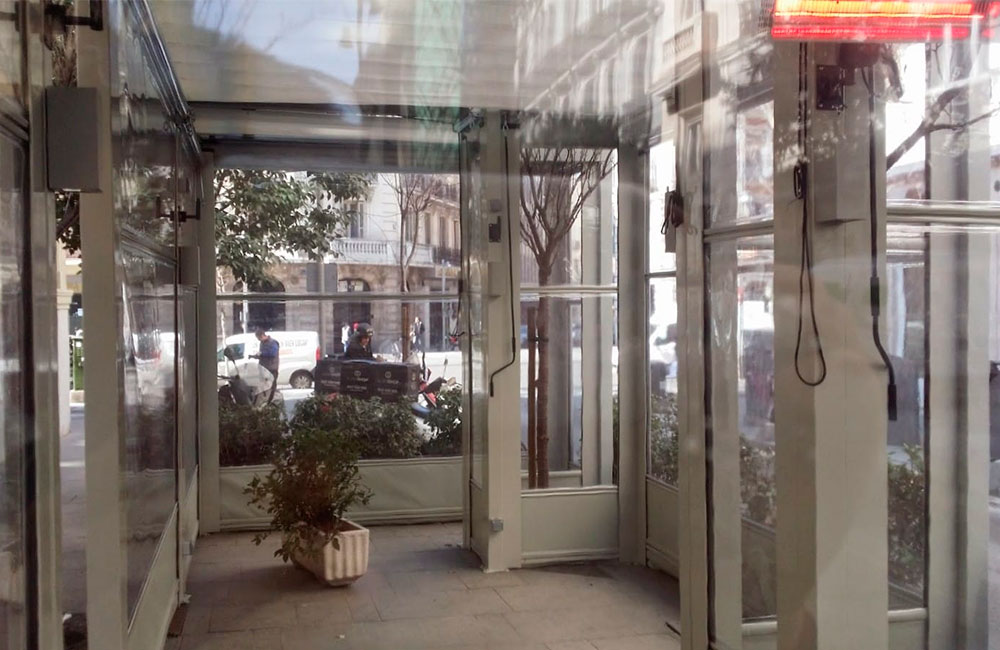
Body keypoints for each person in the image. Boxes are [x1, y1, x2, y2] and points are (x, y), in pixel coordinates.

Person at [250, 328, 280, 401]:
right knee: (263, 386)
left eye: (259, 338)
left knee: (271, 387)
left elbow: (273, 353)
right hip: (263, 368)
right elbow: (262, 355)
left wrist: (262, 354)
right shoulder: (262, 343)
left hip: (271, 368)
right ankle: (265, 400)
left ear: (262, 335)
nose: (259, 340)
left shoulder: (273, 342)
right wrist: (255, 356)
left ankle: (271, 400)